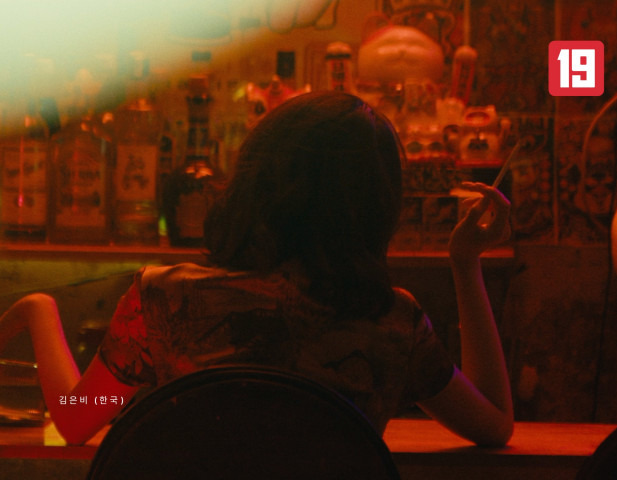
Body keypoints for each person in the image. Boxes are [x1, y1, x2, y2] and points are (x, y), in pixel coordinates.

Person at [0, 91, 513, 446]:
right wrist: (465, 263)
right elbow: (495, 426)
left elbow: (76, 421)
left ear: (252, 181)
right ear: (378, 206)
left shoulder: (165, 299)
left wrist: (39, 310)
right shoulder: (395, 324)